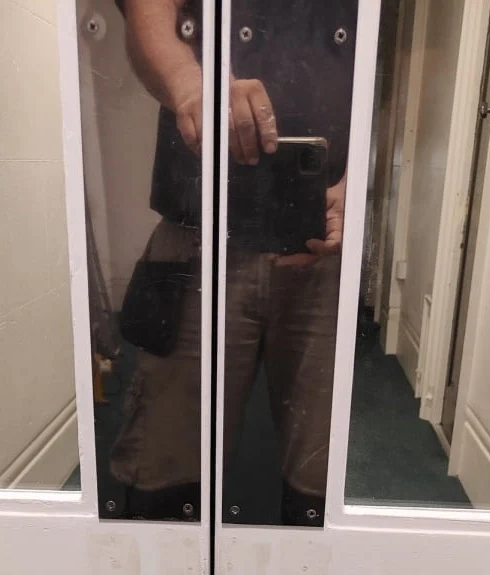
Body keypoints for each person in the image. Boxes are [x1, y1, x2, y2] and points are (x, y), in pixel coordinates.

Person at [110, 0, 357, 524]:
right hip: (196, 238)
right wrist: (192, 87)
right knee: (164, 479)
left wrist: (357, 177)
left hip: (320, 239)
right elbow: (148, 12)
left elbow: (372, 67)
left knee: (319, 490)